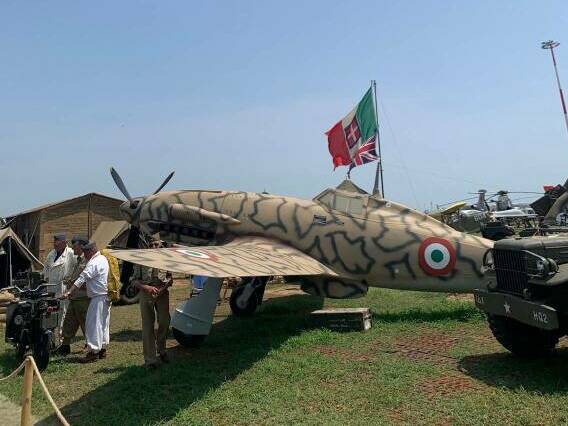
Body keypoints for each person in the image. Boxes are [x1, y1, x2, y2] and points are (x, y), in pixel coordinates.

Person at [63, 241, 110, 363]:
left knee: (92, 326)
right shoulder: (103, 259)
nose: (85, 255)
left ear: (91, 251)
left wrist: (69, 292)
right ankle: (102, 349)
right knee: (103, 325)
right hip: (105, 296)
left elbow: (82, 278)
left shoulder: (93, 262)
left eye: (86, 252)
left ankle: (93, 352)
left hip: (97, 297)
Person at [132, 239, 172, 369]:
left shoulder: (166, 259)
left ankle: (162, 349)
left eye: (156, 244)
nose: (153, 247)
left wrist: (164, 287)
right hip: (146, 292)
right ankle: (150, 360)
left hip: (162, 293)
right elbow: (134, 281)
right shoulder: (141, 259)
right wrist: (146, 288)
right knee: (148, 325)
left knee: (165, 321)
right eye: (151, 245)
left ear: (161, 246)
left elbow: (170, 278)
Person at [56, 235, 90, 356]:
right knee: (69, 322)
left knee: (86, 323)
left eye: (75, 246)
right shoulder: (79, 260)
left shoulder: (88, 260)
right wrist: (70, 281)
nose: (73, 248)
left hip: (83, 298)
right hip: (75, 297)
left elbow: (87, 279)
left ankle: (90, 346)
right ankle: (65, 346)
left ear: (81, 246)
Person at [43, 233, 75, 343]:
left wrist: (72, 281)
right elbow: (46, 268)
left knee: (62, 313)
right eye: (54, 242)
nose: (55, 244)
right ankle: (50, 339)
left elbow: (77, 268)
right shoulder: (51, 253)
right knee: (50, 312)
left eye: (58, 242)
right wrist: (45, 279)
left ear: (64, 243)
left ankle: (62, 340)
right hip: (51, 288)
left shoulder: (71, 253)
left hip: (63, 287)